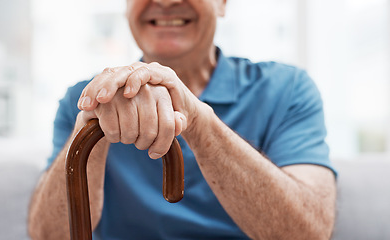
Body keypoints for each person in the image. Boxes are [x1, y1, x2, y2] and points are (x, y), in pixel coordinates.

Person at [28, 0, 337, 239]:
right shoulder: (84, 100)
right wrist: (91, 124)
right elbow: (49, 235)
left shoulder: (286, 90)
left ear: (223, 2)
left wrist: (200, 124)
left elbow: (309, 232)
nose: (165, 1)